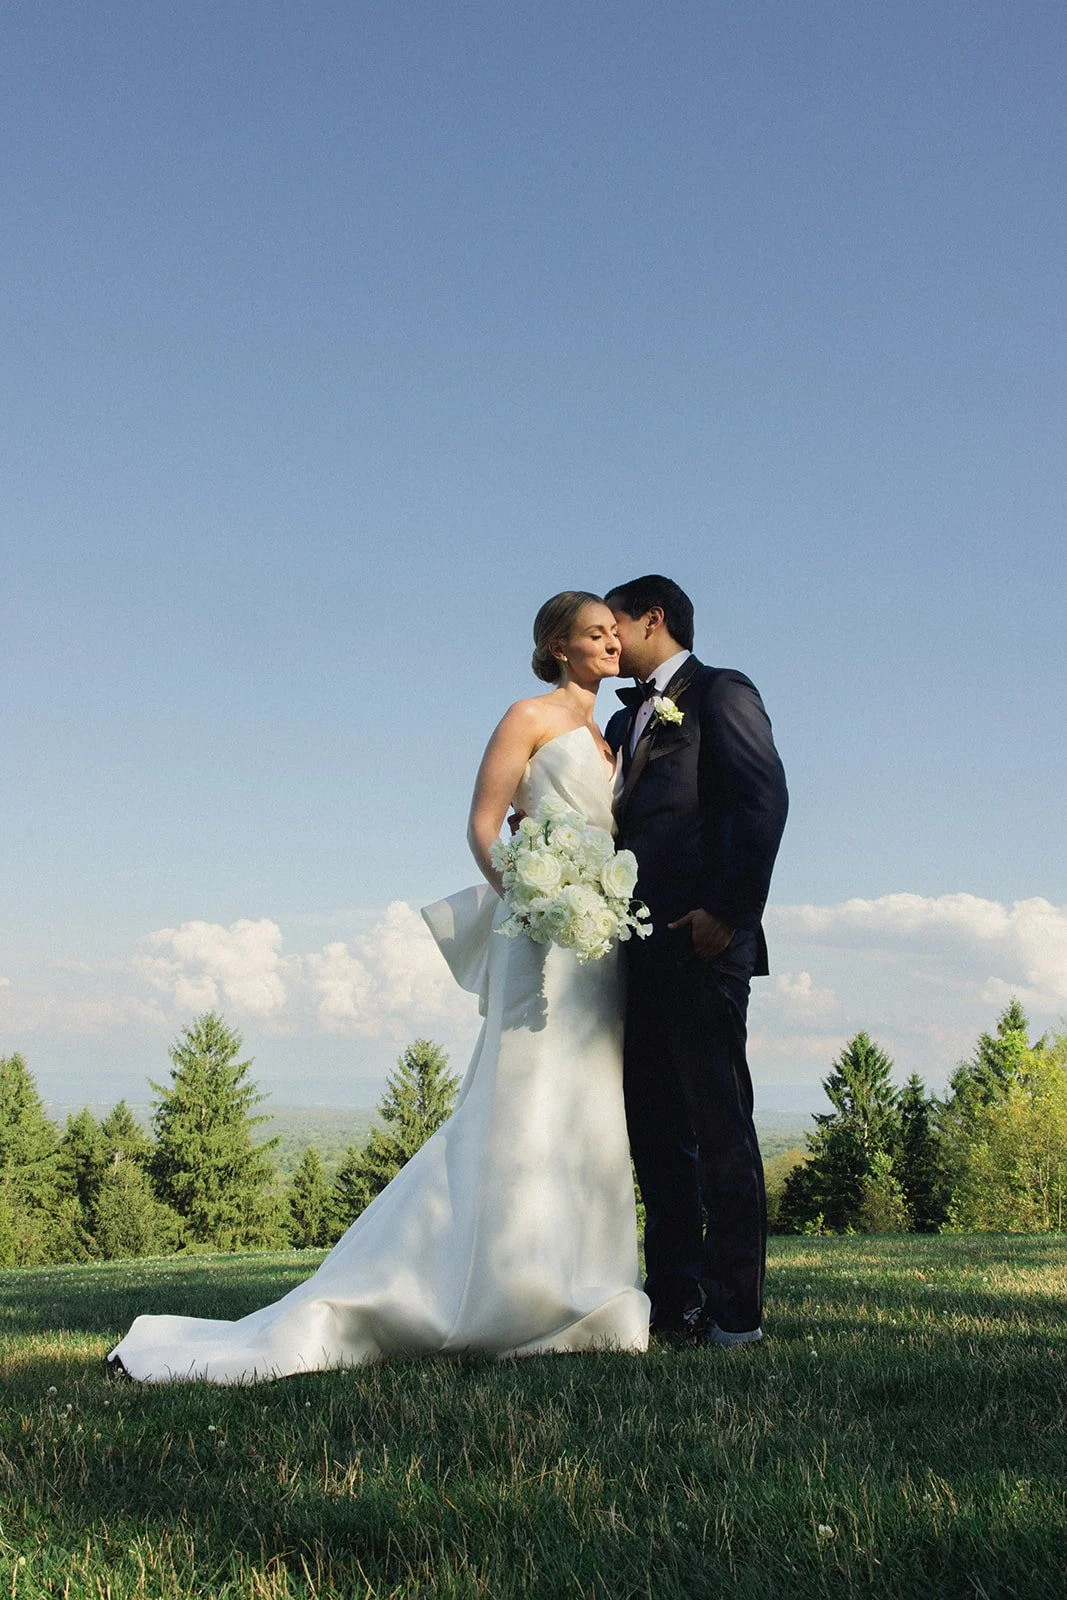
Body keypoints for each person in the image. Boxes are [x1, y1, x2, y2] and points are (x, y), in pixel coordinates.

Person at [106, 592, 649, 1382]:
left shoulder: (611, 738)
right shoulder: (525, 716)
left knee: (589, 1107)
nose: (609, 642)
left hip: (600, 948)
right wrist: (529, 895)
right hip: (539, 937)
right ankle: (494, 1291)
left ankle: (582, 1287)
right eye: (593, 632)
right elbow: (482, 824)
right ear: (557, 646)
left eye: (613, 632)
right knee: (520, 1103)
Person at [604, 575, 788, 1347]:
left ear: (654, 619)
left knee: (719, 1129)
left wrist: (727, 912)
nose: (606, 642)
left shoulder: (719, 693)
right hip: (633, 952)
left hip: (705, 942)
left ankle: (734, 1316)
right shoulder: (617, 725)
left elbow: (761, 802)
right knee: (654, 1135)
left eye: (613, 628)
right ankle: (673, 1304)